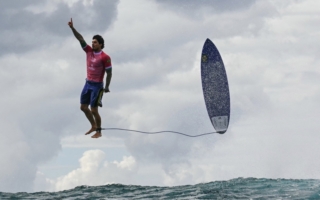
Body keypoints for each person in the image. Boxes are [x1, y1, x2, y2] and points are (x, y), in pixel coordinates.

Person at [68, 18, 112, 138]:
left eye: (95, 42)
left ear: (101, 44)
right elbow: (80, 38)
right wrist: (72, 28)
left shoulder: (105, 57)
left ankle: (99, 131)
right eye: (92, 42)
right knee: (83, 107)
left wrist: (107, 87)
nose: (93, 44)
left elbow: (109, 73)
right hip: (88, 83)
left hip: (97, 86)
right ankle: (93, 125)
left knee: (94, 110)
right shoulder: (88, 51)